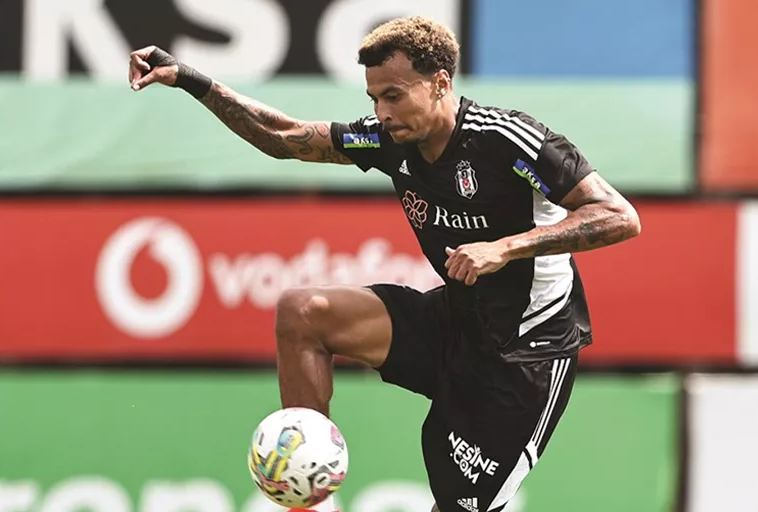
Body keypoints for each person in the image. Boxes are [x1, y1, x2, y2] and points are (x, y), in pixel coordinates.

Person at [128, 15, 640, 512]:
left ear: (441, 83)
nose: (382, 112)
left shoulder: (507, 138)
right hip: (454, 323)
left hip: (525, 354)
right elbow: (284, 137)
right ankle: (310, 498)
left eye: (394, 95)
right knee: (303, 313)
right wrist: (189, 79)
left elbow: (619, 215)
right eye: (373, 98)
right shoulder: (388, 139)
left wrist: (505, 247)